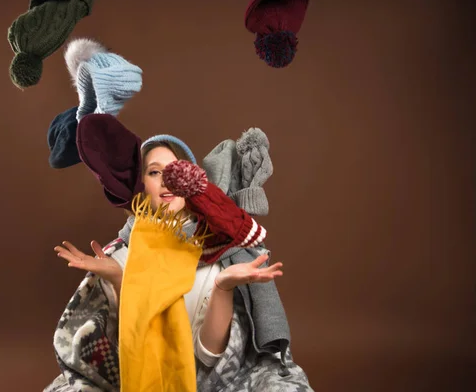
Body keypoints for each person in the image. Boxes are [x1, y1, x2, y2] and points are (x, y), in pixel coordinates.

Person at [45, 135, 313, 392]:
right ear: (140, 185)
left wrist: (223, 286)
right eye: (154, 172)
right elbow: (127, 356)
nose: (167, 181)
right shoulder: (119, 255)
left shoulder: (219, 249)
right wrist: (120, 280)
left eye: (176, 170)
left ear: (193, 181)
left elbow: (208, 359)